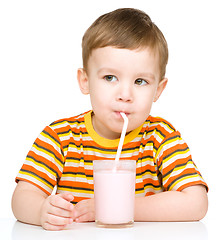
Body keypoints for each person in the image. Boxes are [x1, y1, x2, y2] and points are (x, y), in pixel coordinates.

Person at [11, 8, 208, 231]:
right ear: (85, 81)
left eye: (140, 81)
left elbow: (196, 202)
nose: (125, 94)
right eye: (110, 77)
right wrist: (40, 211)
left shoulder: (160, 137)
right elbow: (22, 197)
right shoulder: (60, 136)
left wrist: (117, 207)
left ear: (158, 89)